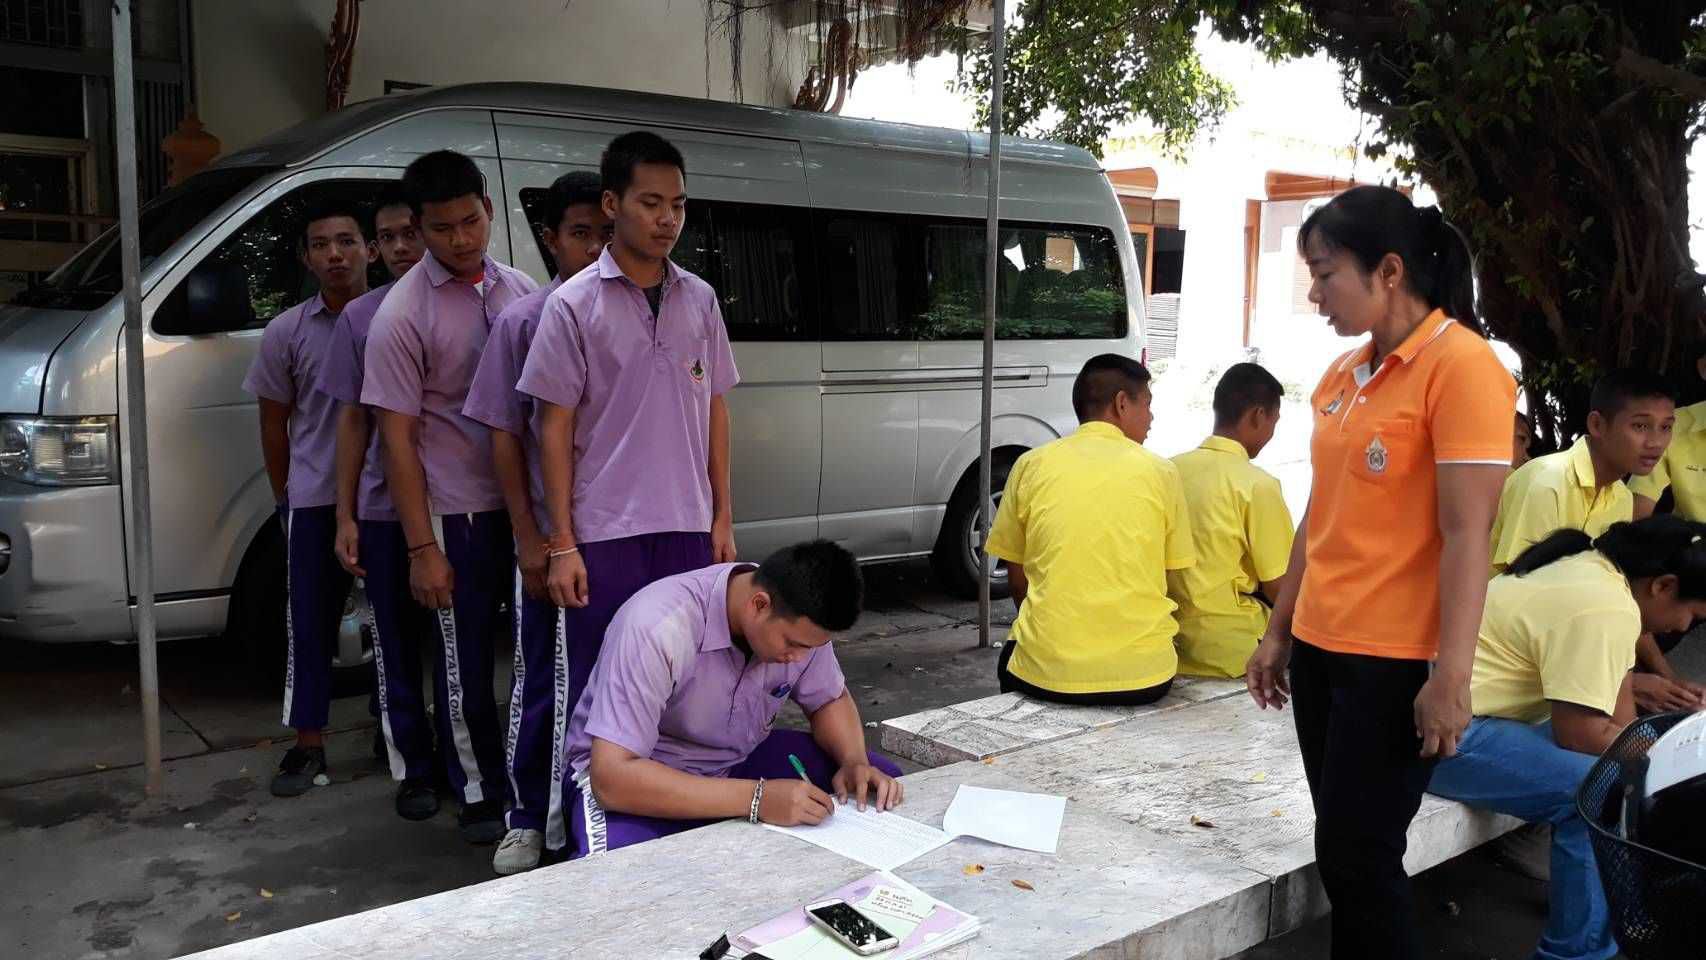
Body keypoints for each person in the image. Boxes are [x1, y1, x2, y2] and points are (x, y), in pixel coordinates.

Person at [1245, 185, 1516, 960]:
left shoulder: (1462, 367)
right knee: (1344, 851)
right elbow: (1319, 513)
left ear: (1388, 271)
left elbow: (1468, 534)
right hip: (1322, 648)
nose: (1315, 293)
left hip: (1394, 662)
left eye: (1325, 273)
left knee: (1361, 857)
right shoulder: (1344, 373)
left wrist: (1451, 677)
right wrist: (1279, 630)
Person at [516, 132, 738, 745]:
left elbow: (715, 410)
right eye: (651, 203)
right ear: (612, 204)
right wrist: (561, 543)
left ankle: (664, 801)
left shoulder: (700, 299)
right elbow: (551, 429)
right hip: (603, 534)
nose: (668, 219)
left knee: (679, 683)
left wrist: (722, 516)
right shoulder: (572, 305)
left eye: (678, 204)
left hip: (687, 529)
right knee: (597, 691)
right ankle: (587, 807)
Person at [1429, 516, 1706, 960]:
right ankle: (1578, 952)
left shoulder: (1601, 576)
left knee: (1624, 777)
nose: (1683, 626)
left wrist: (1665, 752)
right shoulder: (1603, 605)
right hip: (1441, 734)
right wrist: (1672, 757)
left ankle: (1608, 925)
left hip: (1481, 719)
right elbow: (1581, 735)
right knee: (1597, 792)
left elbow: (1620, 722)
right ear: (1663, 586)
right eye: (1693, 615)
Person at [362, 150, 538, 843]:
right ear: (418, 228)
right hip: (453, 512)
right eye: (442, 229)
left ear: (489, 210)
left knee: (529, 652)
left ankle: (528, 781)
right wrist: (422, 548)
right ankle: (476, 788)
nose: (461, 239)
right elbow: (396, 441)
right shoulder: (401, 314)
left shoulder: (521, 290)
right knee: (462, 660)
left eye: (470, 221)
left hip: (523, 506)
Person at [564, 540, 903, 857]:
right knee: (619, 873)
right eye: (793, 644)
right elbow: (612, 779)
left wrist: (853, 760)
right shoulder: (658, 625)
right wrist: (757, 799)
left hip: (732, 762)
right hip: (640, 776)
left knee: (878, 787)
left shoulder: (800, 625)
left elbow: (829, 699)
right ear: (759, 605)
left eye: (811, 648)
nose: (800, 658)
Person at [463, 170, 612, 874]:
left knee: (617, 678)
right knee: (545, 679)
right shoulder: (524, 321)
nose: (595, 248)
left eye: (605, 233)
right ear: (550, 239)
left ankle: (595, 816)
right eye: (580, 234)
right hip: (555, 540)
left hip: (617, 535)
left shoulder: (635, 312)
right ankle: (525, 817)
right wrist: (531, 537)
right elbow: (503, 435)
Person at [316, 187, 440, 821]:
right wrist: (345, 515)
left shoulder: (473, 302)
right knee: (393, 644)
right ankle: (413, 766)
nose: (398, 247)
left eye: (408, 233)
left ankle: (465, 763)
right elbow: (351, 422)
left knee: (457, 647)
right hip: (384, 510)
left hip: (453, 507)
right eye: (386, 237)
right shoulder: (361, 318)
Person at [244, 199, 374, 797]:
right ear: (306, 258)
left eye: (346, 241)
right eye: (321, 245)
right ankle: (308, 742)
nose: (335, 255)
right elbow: (274, 424)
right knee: (310, 623)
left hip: (387, 499)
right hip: (315, 497)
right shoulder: (287, 332)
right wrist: (285, 498)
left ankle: (394, 731)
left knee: (395, 627)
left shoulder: (395, 317)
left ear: (369, 248)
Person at [984, 354, 1195, 705]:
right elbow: (1174, 579)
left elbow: (1017, 578)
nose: (1152, 417)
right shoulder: (1162, 472)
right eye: (1148, 404)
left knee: (1015, 652)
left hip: (1042, 675)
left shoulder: (1031, 465)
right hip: (1144, 678)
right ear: (1122, 403)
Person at [1167, 362, 1294, 679]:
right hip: (1235, 650)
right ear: (1258, 416)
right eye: (1274, 422)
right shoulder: (1258, 485)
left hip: (1169, 643)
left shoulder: (1167, 470)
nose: (1272, 434)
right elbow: (1280, 587)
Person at [1487, 368, 1675, 578]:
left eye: (1666, 427)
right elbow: (1523, 581)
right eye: (1640, 426)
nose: (1656, 442)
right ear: (1597, 424)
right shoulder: (1546, 482)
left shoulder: (1622, 497)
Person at [1629, 347, 1706, 710]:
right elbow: (1635, 536)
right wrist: (1667, 676)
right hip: (1693, 570)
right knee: (1652, 601)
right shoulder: (1671, 430)